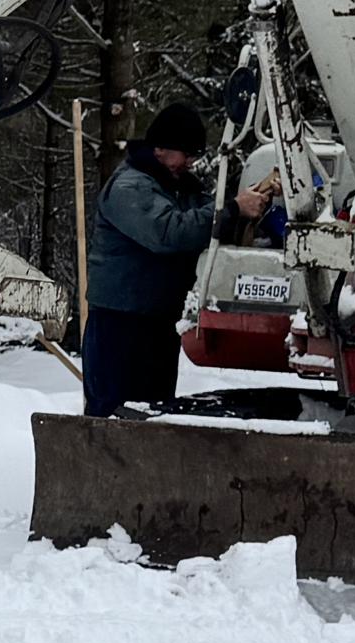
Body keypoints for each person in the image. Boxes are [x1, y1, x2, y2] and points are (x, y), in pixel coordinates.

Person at [82, 99, 276, 415]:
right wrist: (232, 209)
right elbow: (170, 232)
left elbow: (208, 221)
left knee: (152, 415)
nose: (189, 163)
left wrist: (246, 204)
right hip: (120, 325)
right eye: (186, 154)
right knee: (113, 416)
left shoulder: (177, 187)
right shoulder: (129, 187)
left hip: (157, 325)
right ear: (162, 149)